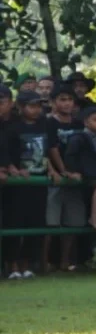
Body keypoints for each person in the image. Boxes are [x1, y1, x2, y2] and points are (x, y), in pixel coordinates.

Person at [4, 92, 51, 278]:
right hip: (18, 183)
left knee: (36, 222)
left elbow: (50, 149)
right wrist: (12, 168)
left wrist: (53, 170)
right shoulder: (12, 128)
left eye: (38, 106)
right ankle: (12, 265)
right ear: (21, 107)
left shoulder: (44, 126)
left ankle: (27, 263)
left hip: (39, 178)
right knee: (15, 222)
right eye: (31, 106)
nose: (36, 110)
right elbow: (5, 151)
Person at [43, 86, 86, 271]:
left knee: (73, 222)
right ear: (53, 102)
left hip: (75, 177)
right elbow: (49, 149)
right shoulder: (48, 123)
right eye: (62, 99)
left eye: (69, 99)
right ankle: (44, 261)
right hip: (56, 177)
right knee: (50, 222)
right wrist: (60, 170)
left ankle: (65, 260)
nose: (66, 103)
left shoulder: (78, 124)